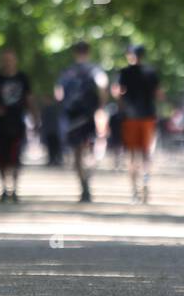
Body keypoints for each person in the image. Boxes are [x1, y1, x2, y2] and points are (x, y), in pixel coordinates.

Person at [55, 41, 107, 202]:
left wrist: (63, 106)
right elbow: (103, 85)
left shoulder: (67, 71)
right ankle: (88, 180)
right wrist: (101, 106)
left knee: (77, 152)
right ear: (88, 52)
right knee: (90, 150)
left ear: (74, 53)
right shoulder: (94, 70)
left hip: (72, 116)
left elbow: (58, 94)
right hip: (88, 115)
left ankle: (82, 185)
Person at [115, 44, 164, 203]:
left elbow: (119, 93)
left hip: (130, 118)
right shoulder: (151, 72)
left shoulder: (124, 72)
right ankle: (146, 182)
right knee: (146, 154)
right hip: (148, 117)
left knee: (132, 154)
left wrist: (121, 109)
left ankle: (134, 191)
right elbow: (159, 94)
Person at [0, 49, 36, 202]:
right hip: (0, 122)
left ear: (15, 61)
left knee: (16, 155)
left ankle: (14, 187)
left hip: (18, 120)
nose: (8, 62)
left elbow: (29, 98)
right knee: (1, 155)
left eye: (10, 59)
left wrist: (34, 116)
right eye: (5, 59)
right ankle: (3, 186)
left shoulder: (23, 78)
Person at [40, 95, 64, 166]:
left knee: (55, 145)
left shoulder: (53, 108)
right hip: (49, 130)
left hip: (53, 130)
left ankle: (56, 159)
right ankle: (52, 159)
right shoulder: (46, 109)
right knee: (50, 146)